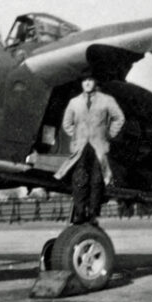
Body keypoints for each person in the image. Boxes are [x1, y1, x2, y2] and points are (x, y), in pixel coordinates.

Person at [54, 72, 125, 225]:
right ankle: (80, 212)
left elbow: (119, 118)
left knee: (97, 179)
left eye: (90, 80)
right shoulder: (74, 102)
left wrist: (109, 133)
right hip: (81, 147)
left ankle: (93, 213)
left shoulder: (107, 100)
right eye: (84, 80)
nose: (87, 83)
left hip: (99, 146)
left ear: (95, 82)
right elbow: (67, 123)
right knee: (79, 179)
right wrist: (77, 135)